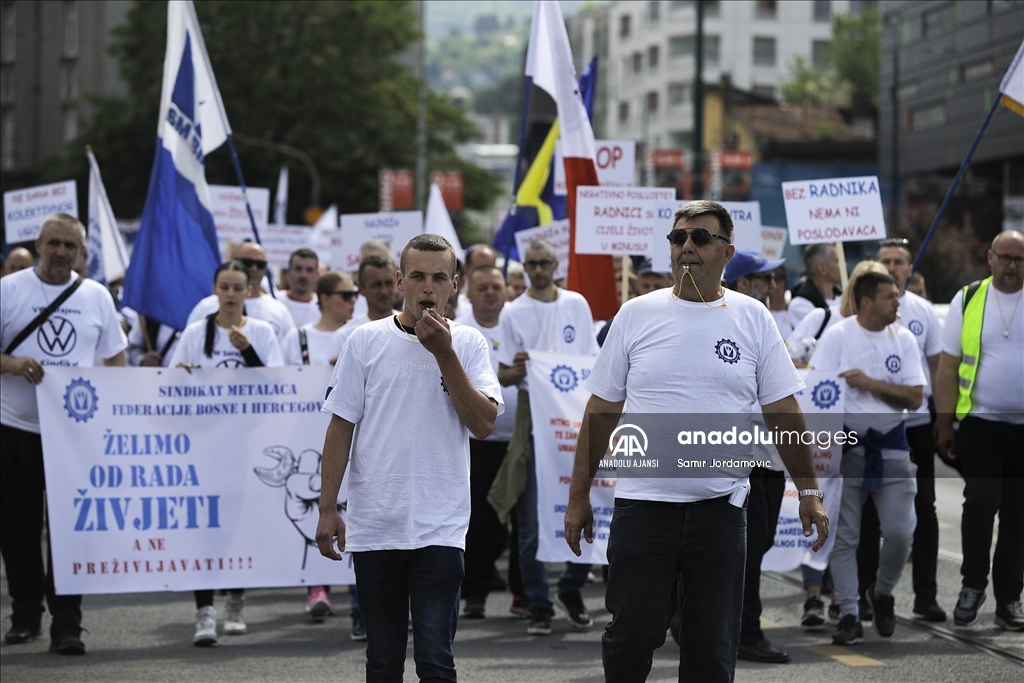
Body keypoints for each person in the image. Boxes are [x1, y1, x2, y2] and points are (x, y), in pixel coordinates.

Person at [563, 201, 828, 683]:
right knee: (630, 638)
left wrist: (809, 491)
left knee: (711, 651)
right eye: (678, 237)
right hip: (643, 509)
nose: (686, 246)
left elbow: (783, 412)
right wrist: (578, 495)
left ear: (727, 252)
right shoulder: (635, 314)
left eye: (700, 238)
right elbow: (601, 412)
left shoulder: (753, 317)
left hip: (720, 514)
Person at [316, 234, 502, 683]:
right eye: (417, 276)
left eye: (439, 277)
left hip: (441, 526)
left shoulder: (469, 343)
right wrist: (327, 508)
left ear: (454, 285)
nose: (428, 287)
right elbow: (340, 428)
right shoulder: (365, 340)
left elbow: (483, 424)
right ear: (400, 281)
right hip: (376, 525)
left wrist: (444, 353)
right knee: (383, 661)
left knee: (436, 661)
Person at [1, 213, 128, 655]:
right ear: (38, 244)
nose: (60, 252)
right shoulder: (9, 290)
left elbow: (116, 361)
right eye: (53, 243)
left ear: (81, 252)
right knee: (16, 529)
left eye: (69, 245)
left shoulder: (96, 296)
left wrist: (114, 414)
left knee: (71, 532)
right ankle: (25, 615)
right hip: (15, 429)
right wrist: (12, 364)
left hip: (75, 437)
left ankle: (67, 623)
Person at [170, 260, 284, 645]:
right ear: (215, 290)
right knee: (205, 526)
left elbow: (279, 384)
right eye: (225, 287)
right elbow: (172, 382)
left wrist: (247, 353)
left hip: (248, 443)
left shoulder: (262, 332)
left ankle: (235, 599)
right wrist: (185, 374)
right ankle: (204, 612)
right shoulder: (194, 333)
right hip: (206, 444)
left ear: (249, 290)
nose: (232, 294)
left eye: (239, 287)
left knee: (238, 524)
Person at [809, 271, 925, 645]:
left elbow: (914, 398)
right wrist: (828, 451)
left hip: (891, 448)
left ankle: (883, 592)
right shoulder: (838, 336)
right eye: (890, 296)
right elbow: (817, 393)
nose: (897, 302)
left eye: (897, 295)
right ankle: (848, 612)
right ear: (866, 302)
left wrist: (870, 384)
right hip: (846, 451)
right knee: (845, 537)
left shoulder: (903, 339)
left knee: (901, 533)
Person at [494, 239, 599, 636]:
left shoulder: (576, 304)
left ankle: (570, 586)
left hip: (572, 413)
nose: (538, 270)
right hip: (533, 416)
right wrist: (520, 370)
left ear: (557, 265)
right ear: (524, 268)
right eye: (531, 264)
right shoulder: (513, 311)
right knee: (531, 518)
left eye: (543, 263)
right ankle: (538, 602)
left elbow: (592, 362)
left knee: (590, 502)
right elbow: (503, 375)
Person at [935, 230, 1024, 632]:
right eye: (1005, 257)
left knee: (1017, 515)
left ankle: (1009, 598)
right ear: (990, 258)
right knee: (981, 502)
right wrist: (944, 422)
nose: (1012, 266)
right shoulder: (969, 299)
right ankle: (972, 585)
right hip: (980, 423)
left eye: (1019, 259)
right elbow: (948, 367)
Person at [861, 238, 945, 622]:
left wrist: (944, 418)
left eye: (899, 262)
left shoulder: (924, 312)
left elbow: (937, 370)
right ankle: (865, 591)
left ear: (911, 269)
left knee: (923, 509)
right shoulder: (860, 311)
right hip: (872, 429)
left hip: (917, 426)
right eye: (886, 261)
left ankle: (925, 595)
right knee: (868, 514)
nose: (892, 267)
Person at [722, 249, 792, 664]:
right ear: (745, 283)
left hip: (768, 457)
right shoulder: (731, 324)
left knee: (757, 544)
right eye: (766, 279)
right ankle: (745, 630)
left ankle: (689, 615)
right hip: (740, 459)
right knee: (746, 547)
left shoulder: (762, 322)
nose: (774, 285)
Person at [454, 265, 519, 619]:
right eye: (483, 288)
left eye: (497, 286)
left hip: (519, 440)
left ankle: (522, 595)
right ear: (469, 292)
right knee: (479, 519)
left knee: (519, 521)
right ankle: (475, 592)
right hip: (477, 440)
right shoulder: (459, 330)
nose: (491, 293)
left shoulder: (518, 324)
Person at [187, 242, 294, 341]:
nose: (254, 268)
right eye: (247, 263)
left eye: (260, 264)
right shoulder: (205, 307)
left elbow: (289, 350)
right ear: (232, 262)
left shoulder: (279, 310)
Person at [281, 271, 356, 367]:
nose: (353, 300)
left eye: (355, 294)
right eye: (346, 295)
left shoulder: (358, 335)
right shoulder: (295, 337)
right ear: (325, 299)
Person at [789, 244, 843, 325]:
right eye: (837, 261)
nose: (844, 264)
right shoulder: (799, 306)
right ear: (822, 269)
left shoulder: (844, 300)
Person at [281, 248, 321, 327]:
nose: (303, 275)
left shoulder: (324, 308)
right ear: (289, 272)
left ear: (317, 274)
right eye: (298, 269)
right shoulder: (274, 301)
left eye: (309, 270)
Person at [768, 263, 794, 340]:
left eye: (769, 281)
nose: (767, 286)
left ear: (781, 285)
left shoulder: (796, 313)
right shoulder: (760, 314)